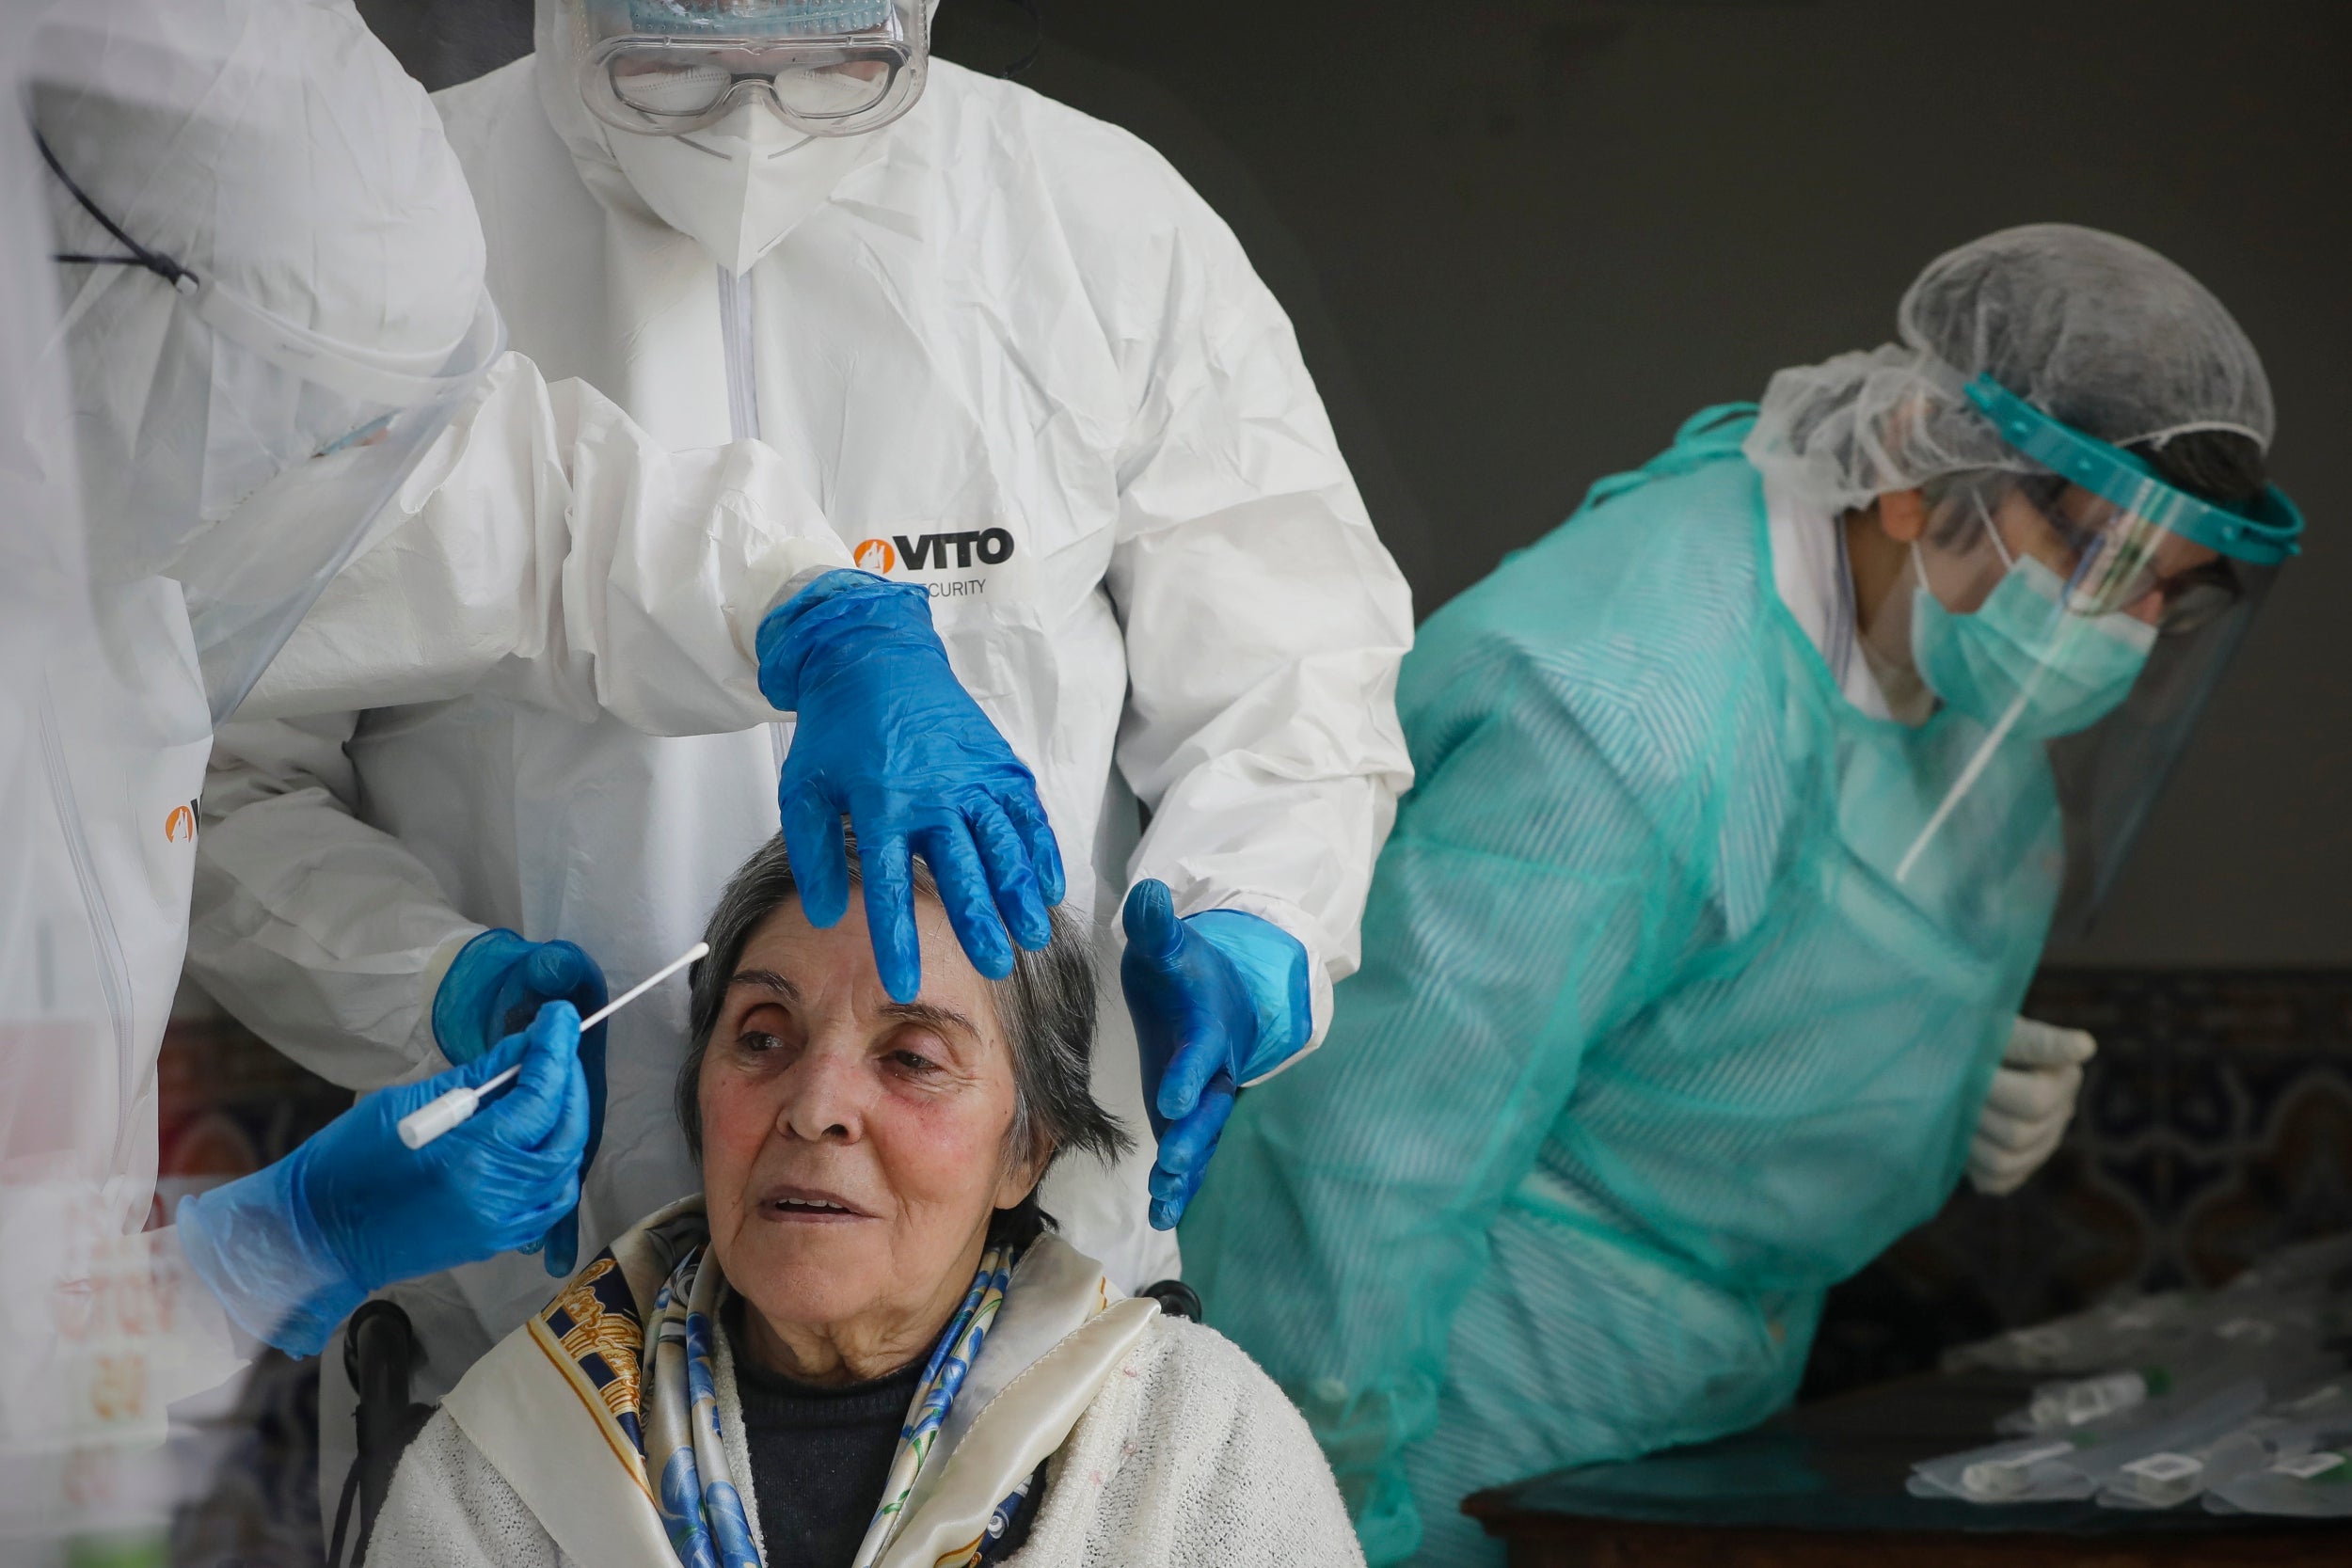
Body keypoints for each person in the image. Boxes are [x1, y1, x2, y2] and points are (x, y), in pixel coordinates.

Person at [187, 0, 1414, 1463]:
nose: (756, 125)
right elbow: (214, 760)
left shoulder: (1099, 232)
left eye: (837, 65)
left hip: (1026, 1353)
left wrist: (1255, 909)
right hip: (528, 1346)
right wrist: (422, 982)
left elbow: (1296, 669)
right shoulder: (396, 246)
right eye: (674, 62)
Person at [1180, 225, 2303, 1566]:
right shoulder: (1625, 703)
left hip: (1707, 1407)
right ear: (1917, 471)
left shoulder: (1946, 659)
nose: (2114, 632)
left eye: (2167, 598)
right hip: (1469, 1413)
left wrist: (1927, 1063)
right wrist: (1314, 1509)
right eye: (2098, 564)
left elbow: (1764, 922)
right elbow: (1365, 1161)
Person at [368, 832, 1364, 1567]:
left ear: (1026, 1152)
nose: (814, 1106)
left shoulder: (1197, 1448)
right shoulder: (511, 1457)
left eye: (913, 1056)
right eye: (762, 1036)